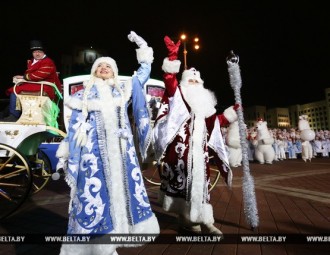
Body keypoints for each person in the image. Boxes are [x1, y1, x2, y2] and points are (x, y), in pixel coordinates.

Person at [55, 31, 159, 255]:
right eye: (100, 66)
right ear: (94, 71)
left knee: (122, 193)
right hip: (93, 154)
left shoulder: (123, 89)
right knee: (96, 196)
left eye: (108, 66)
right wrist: (69, 149)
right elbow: (75, 123)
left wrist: (142, 46)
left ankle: (113, 241)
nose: (104, 69)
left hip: (121, 153)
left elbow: (144, 73)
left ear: (114, 71)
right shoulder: (83, 94)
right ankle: (98, 245)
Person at [152, 36, 239, 237]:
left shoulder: (205, 103)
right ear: (183, 83)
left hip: (200, 155)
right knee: (182, 188)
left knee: (200, 188)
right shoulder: (178, 96)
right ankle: (188, 221)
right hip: (179, 154)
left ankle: (205, 220)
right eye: (189, 80)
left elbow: (215, 123)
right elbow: (169, 81)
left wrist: (231, 113)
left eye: (196, 80)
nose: (193, 83)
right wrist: (172, 56)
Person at [1, 40, 62, 121]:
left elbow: (39, 75)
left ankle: (14, 116)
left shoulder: (48, 62)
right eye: (34, 52)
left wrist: (23, 78)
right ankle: (4, 114)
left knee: (15, 91)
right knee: (16, 89)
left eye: (39, 51)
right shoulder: (33, 61)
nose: (37, 54)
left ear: (43, 52)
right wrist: (21, 78)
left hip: (45, 87)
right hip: (37, 85)